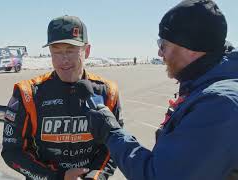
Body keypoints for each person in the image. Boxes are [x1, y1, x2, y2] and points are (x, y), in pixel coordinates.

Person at [86, 0, 238, 180]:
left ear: (191, 49)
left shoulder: (219, 105)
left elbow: (159, 175)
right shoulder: (203, 83)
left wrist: (110, 131)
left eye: (163, 45)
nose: (159, 53)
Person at [1, 15, 123, 180]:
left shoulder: (108, 92)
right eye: (56, 52)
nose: (63, 59)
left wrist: (95, 177)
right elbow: (12, 152)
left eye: (70, 51)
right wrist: (57, 177)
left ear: (86, 51)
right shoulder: (27, 93)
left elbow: (113, 146)